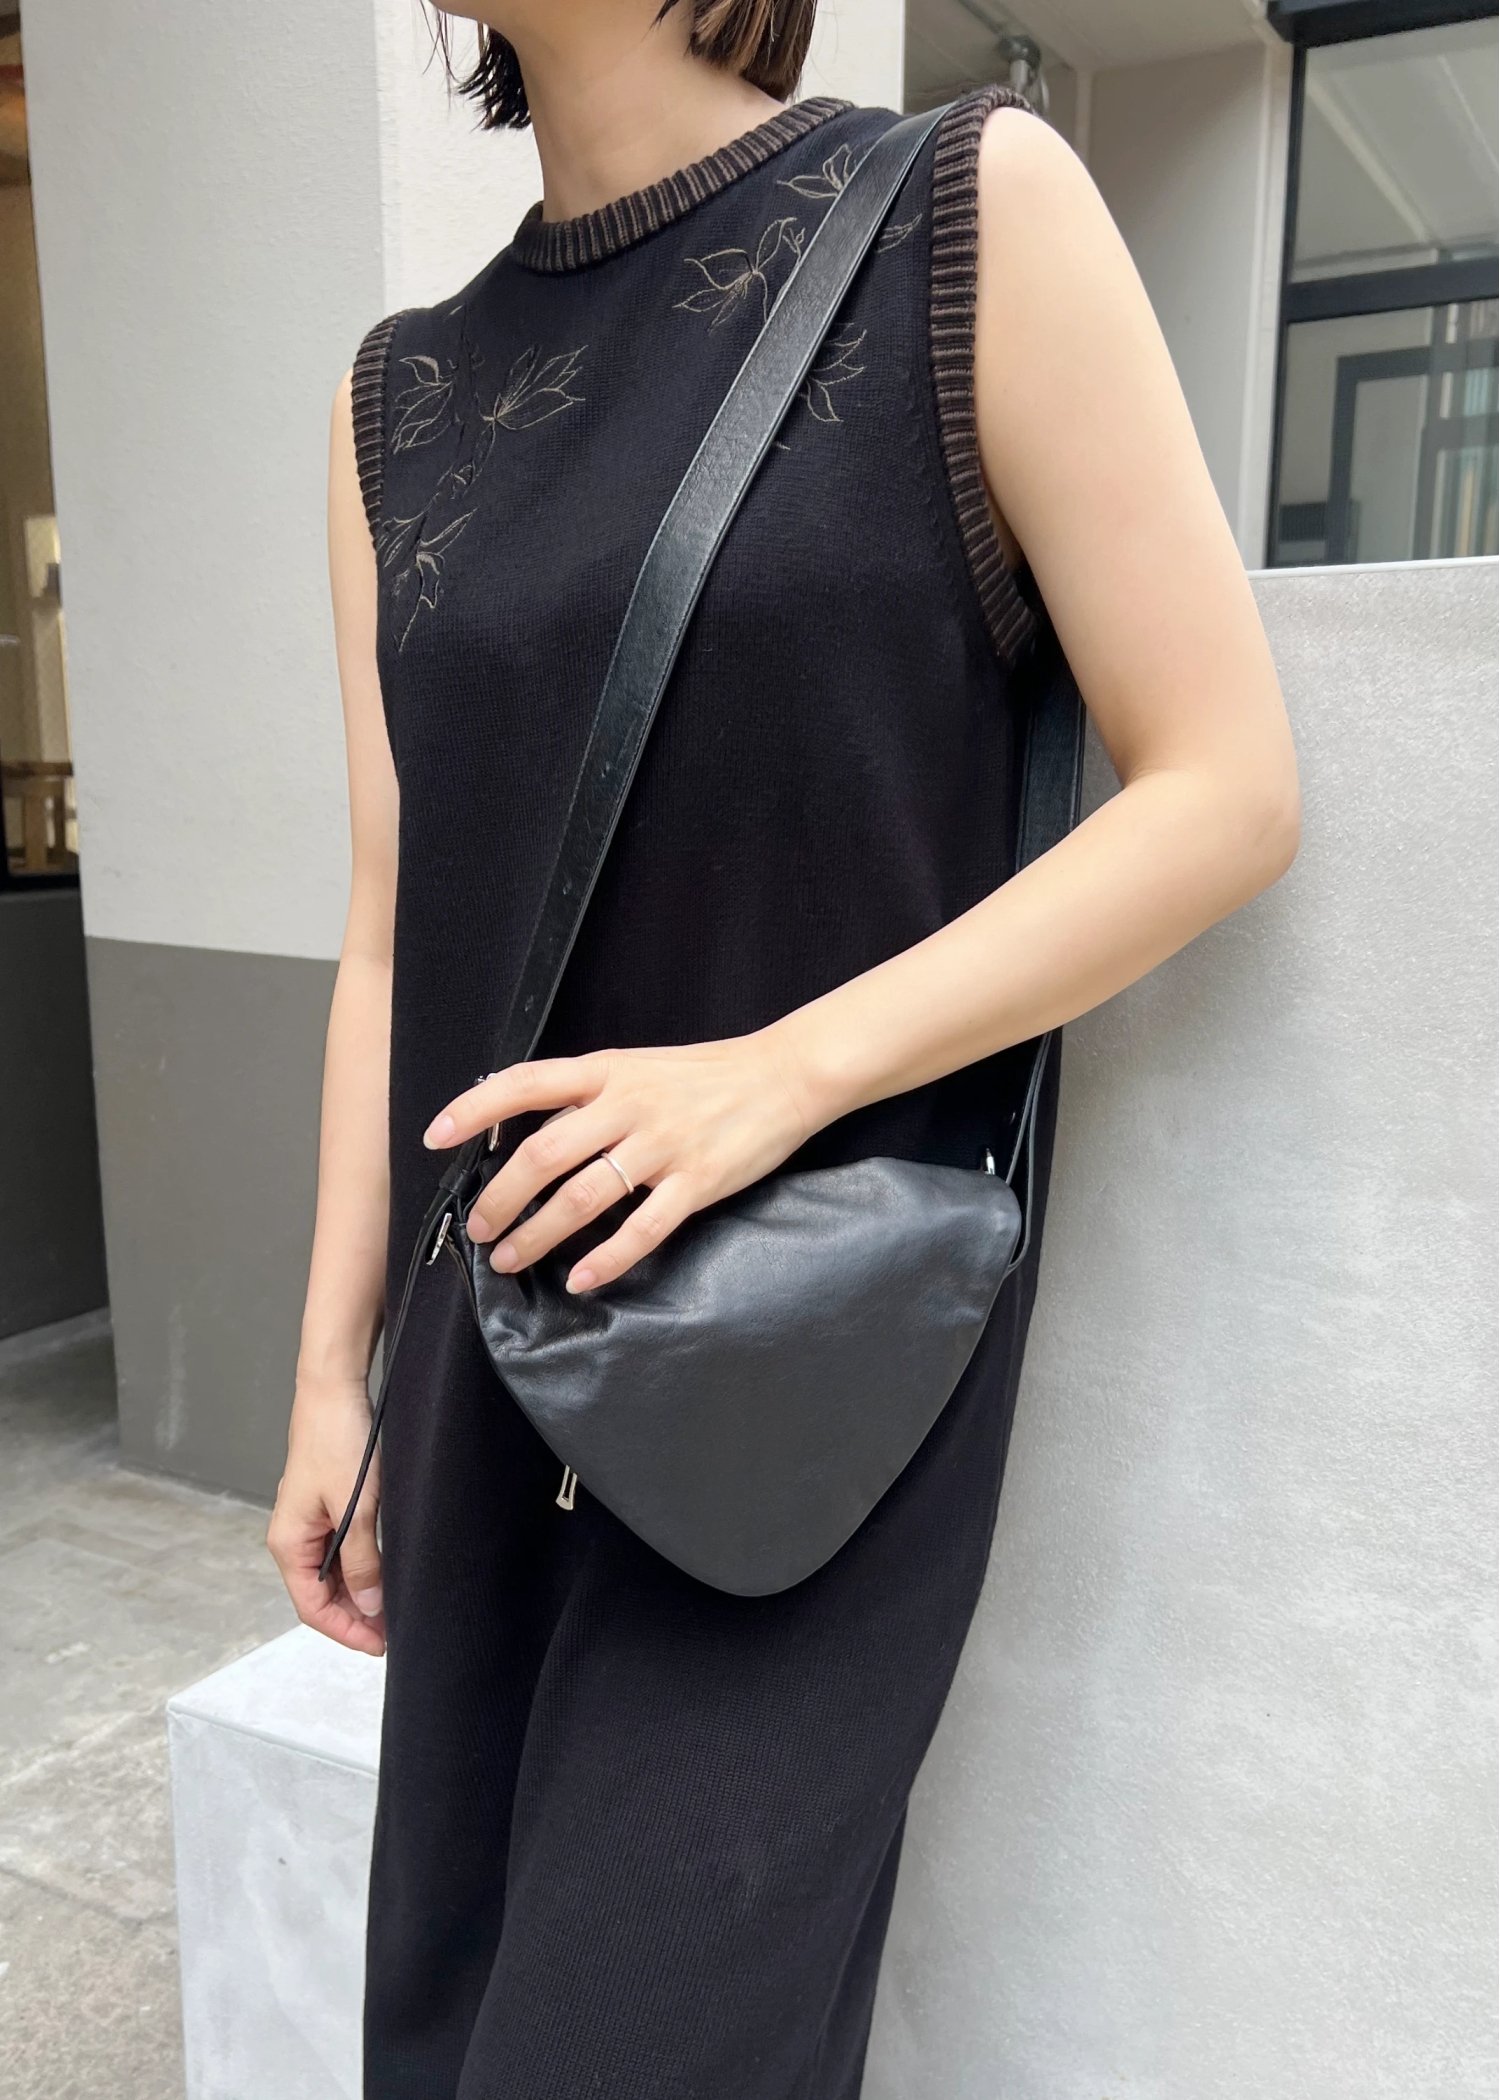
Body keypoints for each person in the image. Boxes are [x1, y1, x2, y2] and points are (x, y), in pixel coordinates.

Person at [267, 4, 1301, 2094]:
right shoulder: (397, 399)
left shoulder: (961, 212)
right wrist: (326, 1375)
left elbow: (1225, 785)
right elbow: (394, 927)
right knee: (447, 2030)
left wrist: (780, 1070)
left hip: (798, 1364)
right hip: (485, 1353)